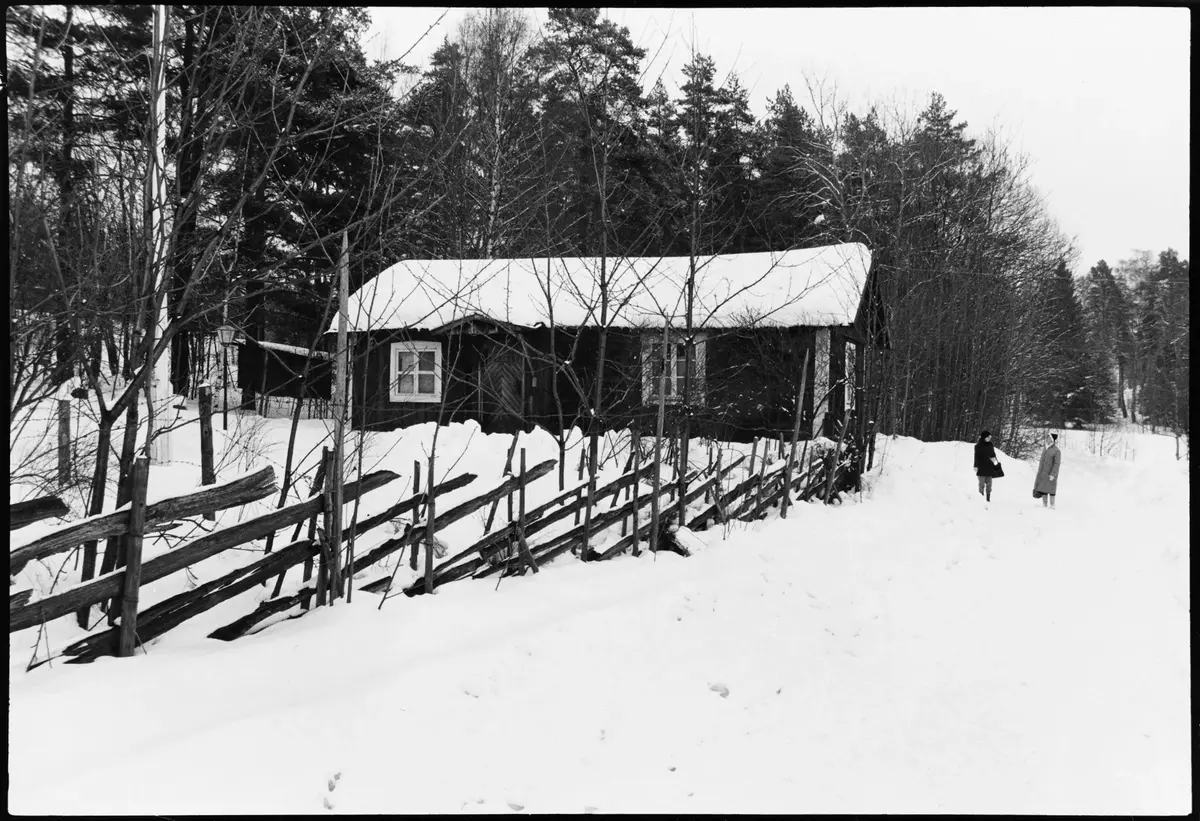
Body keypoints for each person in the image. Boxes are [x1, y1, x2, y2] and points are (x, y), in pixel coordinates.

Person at [1033, 432, 1062, 508]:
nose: (1047, 439)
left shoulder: (1056, 451)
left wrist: (1053, 474)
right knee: (1043, 488)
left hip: (1051, 474)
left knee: (1052, 489)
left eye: (1049, 437)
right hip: (1043, 473)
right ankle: (1044, 504)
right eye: (1047, 437)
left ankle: (1052, 505)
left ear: (1052, 440)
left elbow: (1057, 464)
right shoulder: (1045, 448)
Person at [973, 430, 1003, 501]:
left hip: (989, 467)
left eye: (990, 437)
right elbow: (976, 456)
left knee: (989, 484)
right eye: (988, 437)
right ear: (984, 437)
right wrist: (976, 466)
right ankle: (981, 499)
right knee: (981, 484)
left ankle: (988, 499)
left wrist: (995, 462)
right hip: (981, 467)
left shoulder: (990, 445)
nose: (990, 438)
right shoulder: (978, 446)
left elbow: (993, 454)